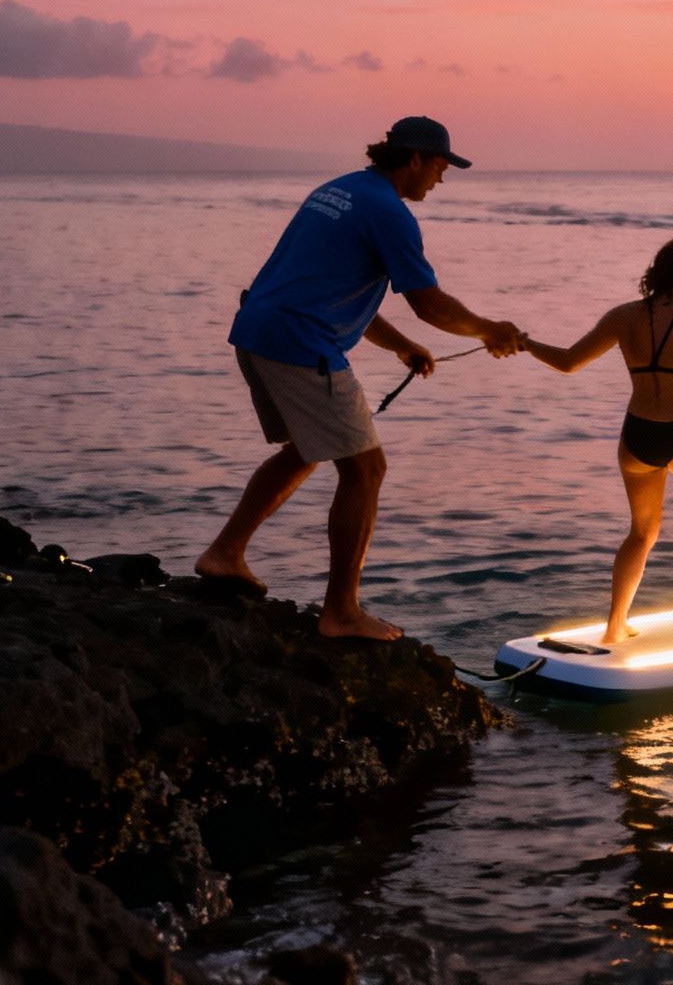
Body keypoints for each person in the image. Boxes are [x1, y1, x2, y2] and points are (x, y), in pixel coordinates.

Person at [195, 116, 522, 641]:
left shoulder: (341, 190)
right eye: (440, 166)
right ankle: (342, 613)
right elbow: (429, 303)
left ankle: (225, 553)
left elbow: (328, 284)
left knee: (305, 450)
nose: (441, 179)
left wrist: (401, 346)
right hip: (301, 343)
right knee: (366, 470)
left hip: (258, 329)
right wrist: (488, 330)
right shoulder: (389, 213)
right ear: (414, 159)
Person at [520, 238, 673, 645]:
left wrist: (526, 343)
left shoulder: (622, 317)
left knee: (641, 533)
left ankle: (615, 625)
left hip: (636, 436)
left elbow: (568, 362)